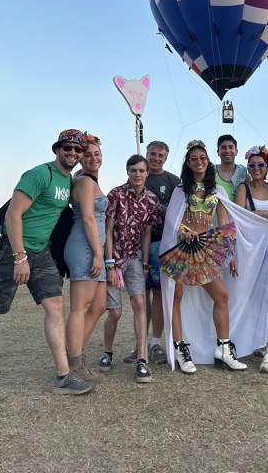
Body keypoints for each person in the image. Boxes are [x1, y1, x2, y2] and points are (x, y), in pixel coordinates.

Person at [0, 129, 94, 404]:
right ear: (57, 149)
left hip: (41, 252)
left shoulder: (68, 179)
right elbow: (13, 214)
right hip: (10, 252)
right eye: (67, 148)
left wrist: (92, 144)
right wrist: (19, 257)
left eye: (77, 149)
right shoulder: (39, 174)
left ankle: (63, 376)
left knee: (55, 306)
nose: (72, 152)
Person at [160, 140, 268, 375]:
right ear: (188, 164)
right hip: (180, 248)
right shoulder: (180, 191)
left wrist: (230, 253)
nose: (199, 162)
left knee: (222, 296)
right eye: (194, 159)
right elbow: (172, 221)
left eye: (202, 158)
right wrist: (182, 232)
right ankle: (180, 349)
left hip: (203, 249)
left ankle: (224, 348)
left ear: (208, 161)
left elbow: (226, 221)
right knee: (176, 298)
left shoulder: (216, 191)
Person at [96, 154, 162, 384]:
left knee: (140, 303)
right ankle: (107, 352)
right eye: (134, 170)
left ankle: (142, 359)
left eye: (142, 171)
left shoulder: (152, 201)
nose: (138, 174)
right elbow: (108, 230)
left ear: (147, 173)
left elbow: (146, 233)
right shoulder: (115, 195)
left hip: (134, 257)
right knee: (115, 311)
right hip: (114, 257)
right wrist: (110, 263)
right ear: (128, 171)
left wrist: (145, 264)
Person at [123, 141, 180, 366]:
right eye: (153, 154)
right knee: (139, 296)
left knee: (158, 293)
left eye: (160, 155)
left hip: (162, 243)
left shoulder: (173, 182)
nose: (156, 158)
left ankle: (156, 342)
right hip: (136, 245)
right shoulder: (135, 179)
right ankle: (140, 343)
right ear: (146, 156)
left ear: (166, 158)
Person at [235, 145, 268, 374]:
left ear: (267, 167)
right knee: (252, 294)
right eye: (252, 165)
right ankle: (258, 340)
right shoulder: (243, 188)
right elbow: (238, 214)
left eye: (260, 165)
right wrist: (264, 214)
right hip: (250, 248)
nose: (256, 168)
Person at [63, 134, 107, 384]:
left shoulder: (89, 181)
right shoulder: (85, 182)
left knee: (99, 306)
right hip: (84, 247)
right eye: (87, 154)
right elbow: (89, 219)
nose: (93, 158)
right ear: (80, 157)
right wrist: (99, 255)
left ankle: (76, 356)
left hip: (94, 247)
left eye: (97, 153)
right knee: (80, 308)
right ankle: (74, 364)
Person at [214, 134, 247, 200]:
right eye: (223, 147)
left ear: (236, 152)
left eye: (230, 147)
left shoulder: (243, 172)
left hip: (238, 210)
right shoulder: (210, 171)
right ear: (218, 152)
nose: (227, 151)